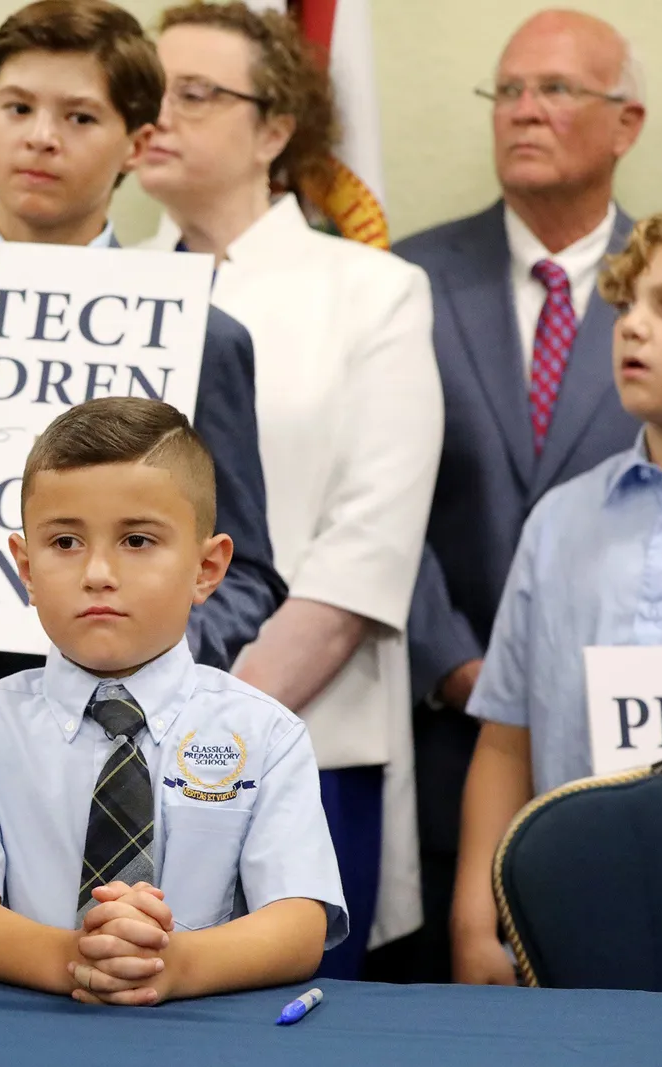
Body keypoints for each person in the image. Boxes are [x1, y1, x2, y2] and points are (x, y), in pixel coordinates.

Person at [0, 0, 286, 755]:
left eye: (81, 118)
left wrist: (141, 652)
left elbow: (244, 570)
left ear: (138, 142)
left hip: (111, 743)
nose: (41, 137)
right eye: (17, 106)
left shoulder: (200, 337)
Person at [134, 2, 442, 977]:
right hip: (94, 746)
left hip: (301, 742)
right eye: (145, 92)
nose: (157, 115)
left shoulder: (371, 290)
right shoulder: (100, 284)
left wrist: (201, 727)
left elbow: (366, 545)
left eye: (193, 94)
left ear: (274, 129)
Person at [0, 397, 345, 1005]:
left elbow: (299, 924)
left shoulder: (268, 736)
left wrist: (173, 966)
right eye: (64, 542)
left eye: (137, 540)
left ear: (207, 567)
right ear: (25, 567)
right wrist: (76, 958)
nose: (97, 572)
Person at [451, 207, 662, 985]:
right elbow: (508, 738)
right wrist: (474, 920)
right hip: (577, 921)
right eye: (626, 305)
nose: (632, 328)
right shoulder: (561, 520)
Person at [390, 9, 645, 982]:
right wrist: (459, 663)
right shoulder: (405, 280)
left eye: (555, 91)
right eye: (507, 90)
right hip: (438, 747)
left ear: (625, 123)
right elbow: (376, 506)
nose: (523, 111)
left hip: (624, 761)